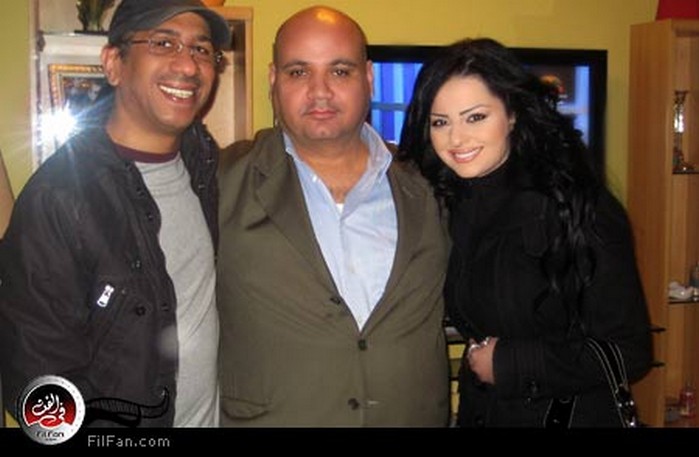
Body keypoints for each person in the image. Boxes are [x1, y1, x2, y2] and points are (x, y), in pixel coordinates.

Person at [397, 37, 653, 427]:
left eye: (475, 117)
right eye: (440, 122)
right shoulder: (452, 204)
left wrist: (510, 363)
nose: (456, 139)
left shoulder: (576, 207)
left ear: (513, 114)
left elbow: (630, 351)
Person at [0, 0, 230, 427]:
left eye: (201, 49)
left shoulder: (204, 166)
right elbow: (37, 388)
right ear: (113, 64)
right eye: (163, 43)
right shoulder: (59, 199)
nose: (188, 65)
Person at [217, 6, 450, 426]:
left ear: (369, 78)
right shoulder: (220, 180)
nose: (320, 91)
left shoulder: (432, 184)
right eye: (298, 72)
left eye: (340, 71)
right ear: (273, 80)